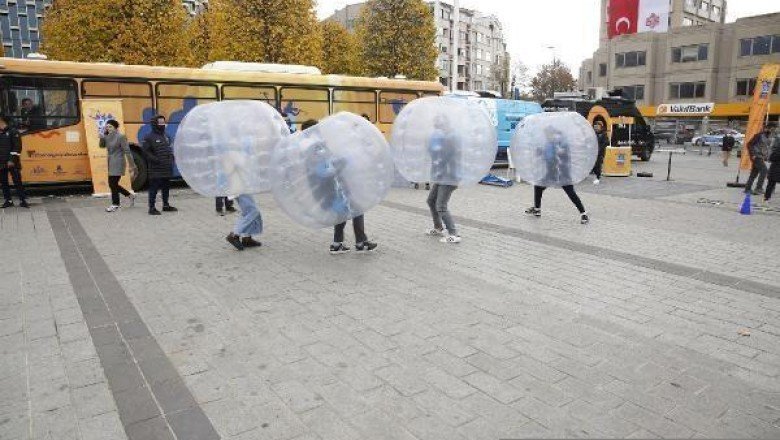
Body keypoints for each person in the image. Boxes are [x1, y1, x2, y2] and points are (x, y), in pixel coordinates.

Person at [301, 119, 377, 254]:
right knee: (357, 210)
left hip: (332, 189)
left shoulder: (316, 147)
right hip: (330, 191)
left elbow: (328, 162)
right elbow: (322, 172)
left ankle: (337, 244)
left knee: (342, 213)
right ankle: (360, 243)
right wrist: (340, 165)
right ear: (311, 131)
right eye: (317, 129)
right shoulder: (313, 150)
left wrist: (338, 161)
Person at [525, 126, 589, 224]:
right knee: (538, 186)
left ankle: (583, 213)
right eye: (546, 135)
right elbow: (547, 157)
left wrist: (560, 152)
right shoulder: (548, 144)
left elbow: (565, 157)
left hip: (563, 173)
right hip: (551, 172)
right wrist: (540, 152)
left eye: (548, 134)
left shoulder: (562, 144)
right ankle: (537, 209)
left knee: (571, 193)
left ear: (553, 134)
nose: (547, 136)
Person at [426, 114, 462, 243]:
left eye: (437, 124)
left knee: (441, 205)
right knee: (431, 201)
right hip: (442, 176)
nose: (436, 127)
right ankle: (438, 227)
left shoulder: (452, 137)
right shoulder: (445, 136)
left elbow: (444, 156)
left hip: (449, 177)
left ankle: (454, 234)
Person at [141, 115, 177, 215]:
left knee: (166, 187)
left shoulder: (166, 136)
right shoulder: (148, 137)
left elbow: (169, 149)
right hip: (155, 168)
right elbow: (146, 152)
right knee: (154, 188)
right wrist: (156, 160)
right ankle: (151, 208)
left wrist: (171, 159)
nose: (162, 125)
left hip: (166, 167)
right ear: (154, 124)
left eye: (163, 123)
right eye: (160, 123)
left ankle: (166, 205)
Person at [100, 120, 137, 212]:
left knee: (112, 183)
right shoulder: (107, 136)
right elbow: (102, 146)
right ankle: (130, 195)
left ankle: (115, 204)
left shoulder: (121, 136)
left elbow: (127, 151)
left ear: (116, 127)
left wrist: (132, 165)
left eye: (110, 126)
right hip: (111, 162)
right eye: (107, 127)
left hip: (118, 162)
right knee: (113, 184)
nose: (108, 128)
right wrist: (102, 138)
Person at [0, 116, 27, 208]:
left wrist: (11, 160)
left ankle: (22, 200)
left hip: (12, 162)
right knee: (4, 182)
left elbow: (17, 147)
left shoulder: (13, 131)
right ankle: (8, 201)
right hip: (1, 162)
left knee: (17, 182)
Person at [744, 126, 772, 196]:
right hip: (756, 156)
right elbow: (749, 144)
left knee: (754, 173)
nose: (770, 130)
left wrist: (766, 157)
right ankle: (758, 188)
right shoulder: (758, 135)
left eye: (772, 129)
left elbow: (765, 148)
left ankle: (747, 189)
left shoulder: (767, 137)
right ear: (765, 129)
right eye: (769, 129)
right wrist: (753, 154)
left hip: (760, 157)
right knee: (764, 170)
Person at [764, 131, 780, 206]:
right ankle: (766, 199)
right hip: (775, 169)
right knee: (771, 184)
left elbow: (771, 158)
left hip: (775, 169)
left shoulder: (777, 149)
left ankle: (766, 199)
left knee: (770, 184)